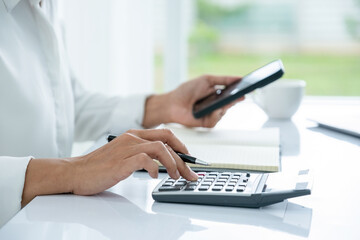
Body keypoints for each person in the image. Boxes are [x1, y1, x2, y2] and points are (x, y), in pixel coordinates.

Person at [0, 0, 243, 227]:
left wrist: (165, 106)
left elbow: (66, 107)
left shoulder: (46, 5)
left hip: (43, 222)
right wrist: (74, 171)